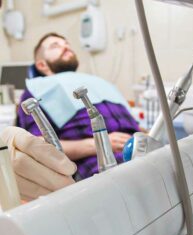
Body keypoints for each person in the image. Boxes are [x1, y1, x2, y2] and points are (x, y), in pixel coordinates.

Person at [17, 33, 140, 179]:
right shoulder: (36, 91)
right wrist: (99, 144)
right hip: (96, 163)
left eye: (67, 44)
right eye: (55, 46)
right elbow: (39, 146)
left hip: (139, 149)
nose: (65, 46)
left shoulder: (97, 82)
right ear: (42, 64)